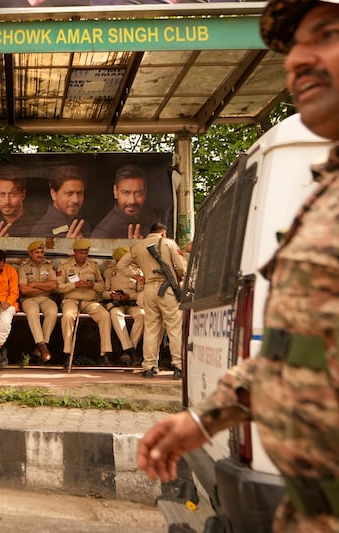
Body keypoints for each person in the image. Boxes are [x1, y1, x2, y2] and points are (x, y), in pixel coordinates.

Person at [137, 3, 339, 530]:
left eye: (329, 34)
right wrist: (204, 420)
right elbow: (295, 347)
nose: (298, 60)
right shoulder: (323, 194)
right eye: (293, 47)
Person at [117, 223, 185, 378]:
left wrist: (137, 276)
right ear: (163, 232)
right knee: (174, 327)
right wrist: (178, 277)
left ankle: (149, 366)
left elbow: (121, 264)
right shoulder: (168, 243)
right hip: (167, 289)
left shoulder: (137, 246)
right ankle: (178, 365)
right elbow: (181, 268)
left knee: (151, 328)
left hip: (148, 289)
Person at [55, 238, 112, 363]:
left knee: (105, 315)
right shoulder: (64, 265)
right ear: (74, 252)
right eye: (81, 253)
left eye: (86, 253)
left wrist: (92, 285)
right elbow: (58, 287)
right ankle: (68, 353)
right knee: (68, 316)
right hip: (71, 300)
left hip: (90, 301)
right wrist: (75, 285)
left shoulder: (93, 265)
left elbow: (102, 286)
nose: (83, 256)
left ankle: (104, 353)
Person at [91, 164, 160, 239]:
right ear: (115, 192)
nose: (132, 201)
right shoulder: (103, 233)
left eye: (138, 193)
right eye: (125, 193)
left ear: (145, 192)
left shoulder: (154, 219)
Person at [102, 246, 144, 366]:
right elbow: (103, 293)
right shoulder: (109, 271)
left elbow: (141, 294)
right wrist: (111, 294)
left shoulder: (137, 271)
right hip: (116, 304)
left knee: (142, 315)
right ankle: (130, 351)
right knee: (116, 314)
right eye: (118, 259)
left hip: (132, 303)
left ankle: (129, 350)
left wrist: (129, 297)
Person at [18, 240, 58, 364]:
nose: (40, 255)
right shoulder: (24, 267)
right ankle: (43, 346)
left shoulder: (48, 266)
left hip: (46, 298)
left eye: (41, 252)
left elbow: (54, 285)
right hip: (29, 299)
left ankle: (40, 348)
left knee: (52, 311)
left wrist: (35, 284)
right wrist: (44, 287)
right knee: (32, 311)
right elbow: (24, 289)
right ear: (30, 253)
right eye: (37, 252)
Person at [0, 165, 37, 244]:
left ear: (23, 194)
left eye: (13, 194)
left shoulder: (37, 228)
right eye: (2, 194)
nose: (7, 201)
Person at [30, 165, 91, 239]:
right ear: (53, 194)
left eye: (79, 193)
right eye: (69, 193)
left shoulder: (83, 224)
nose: (76, 200)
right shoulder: (42, 230)